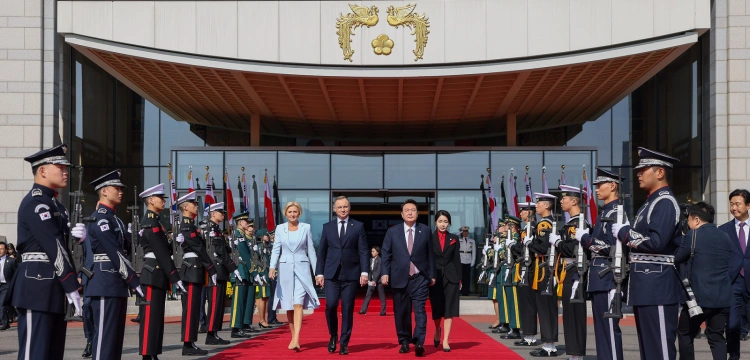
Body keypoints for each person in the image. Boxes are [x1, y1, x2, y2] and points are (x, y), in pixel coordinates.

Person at [611, 147, 683, 360]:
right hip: (647, 285)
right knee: (649, 348)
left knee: (660, 349)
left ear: (660, 172)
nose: (638, 174)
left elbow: (657, 243)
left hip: (658, 285)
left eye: (644, 169)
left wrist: (625, 233)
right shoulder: (650, 203)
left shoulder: (665, 202)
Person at [83, 169, 144, 360]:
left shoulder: (114, 218)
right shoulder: (101, 218)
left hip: (115, 282)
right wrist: (133, 279)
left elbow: (125, 248)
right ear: (103, 191)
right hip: (104, 283)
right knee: (104, 342)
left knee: (115, 341)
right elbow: (114, 251)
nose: (120, 191)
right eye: (116, 187)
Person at [574, 169, 627, 360]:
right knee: (602, 331)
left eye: (600, 185)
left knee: (609, 330)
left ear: (612, 186)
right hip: (599, 279)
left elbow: (613, 248)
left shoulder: (615, 212)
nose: (596, 189)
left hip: (607, 278)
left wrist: (586, 239)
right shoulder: (606, 210)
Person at [675, 202, 732, 360]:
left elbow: (678, 258)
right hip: (722, 297)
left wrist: (682, 236)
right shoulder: (725, 236)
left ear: (697, 220)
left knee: (685, 333)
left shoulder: (692, 236)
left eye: (689, 220)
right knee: (716, 337)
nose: (688, 223)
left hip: (698, 298)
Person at [381, 199, 435, 357]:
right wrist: (384, 273)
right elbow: (386, 253)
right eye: (407, 210)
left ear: (417, 214)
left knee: (420, 311)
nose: (410, 212)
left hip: (420, 278)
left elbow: (430, 255)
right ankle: (404, 341)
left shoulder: (425, 230)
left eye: (413, 210)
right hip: (399, 277)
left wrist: (432, 275)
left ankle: (419, 341)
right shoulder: (393, 232)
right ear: (402, 214)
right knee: (401, 312)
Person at [315, 195, 369, 355]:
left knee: (347, 308)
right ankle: (333, 335)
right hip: (332, 274)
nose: (343, 209)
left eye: (345, 206)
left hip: (351, 274)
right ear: (334, 209)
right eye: (339, 207)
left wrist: (365, 272)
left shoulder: (358, 226)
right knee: (330, 305)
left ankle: (344, 342)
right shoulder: (327, 227)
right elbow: (322, 252)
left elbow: (364, 250)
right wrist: (319, 273)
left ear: (349, 207)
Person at [137, 184, 185, 360]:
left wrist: (176, 244)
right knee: (150, 318)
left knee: (156, 318)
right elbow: (161, 253)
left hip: (157, 274)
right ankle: (147, 355)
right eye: (160, 198)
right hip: (152, 273)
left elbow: (165, 251)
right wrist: (175, 277)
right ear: (151, 200)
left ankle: (153, 353)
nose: (164, 201)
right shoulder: (150, 223)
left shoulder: (156, 222)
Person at [269, 202, 320, 351]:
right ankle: (294, 337)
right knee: (289, 307)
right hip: (285, 270)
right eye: (290, 212)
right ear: (286, 213)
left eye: (295, 212)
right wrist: (272, 267)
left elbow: (311, 251)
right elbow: (276, 249)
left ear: (299, 213)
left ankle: (296, 337)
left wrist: (317, 273)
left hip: (302, 269)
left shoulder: (306, 228)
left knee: (298, 303)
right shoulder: (280, 229)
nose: (292, 214)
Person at [176, 191, 216, 356]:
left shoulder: (191, 226)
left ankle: (190, 342)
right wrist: (211, 268)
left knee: (194, 308)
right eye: (193, 203)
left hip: (196, 269)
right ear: (185, 207)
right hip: (192, 270)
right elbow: (199, 248)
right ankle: (187, 344)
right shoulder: (186, 226)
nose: (196, 206)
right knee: (191, 308)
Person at [554, 185, 590, 360]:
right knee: (569, 314)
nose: (561, 201)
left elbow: (573, 249)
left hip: (576, 271)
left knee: (575, 314)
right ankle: (574, 353)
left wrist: (558, 243)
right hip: (567, 271)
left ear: (574, 201)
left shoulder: (579, 223)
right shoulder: (571, 223)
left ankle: (577, 354)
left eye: (564, 198)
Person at [528, 193, 560, 357]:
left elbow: (543, 248)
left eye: (539, 203)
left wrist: (529, 243)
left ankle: (549, 345)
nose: (536, 206)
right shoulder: (543, 223)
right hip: (542, 270)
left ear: (547, 206)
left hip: (545, 270)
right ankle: (548, 341)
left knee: (546, 308)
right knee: (544, 307)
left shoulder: (545, 225)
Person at [204, 202, 240, 346]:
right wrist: (232, 267)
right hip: (216, 269)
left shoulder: (217, 229)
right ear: (213, 213)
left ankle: (214, 332)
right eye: (220, 212)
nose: (223, 215)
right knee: (214, 303)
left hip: (221, 270)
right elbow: (219, 252)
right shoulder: (210, 229)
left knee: (219, 303)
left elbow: (224, 249)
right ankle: (210, 333)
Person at [720, 189, 750, 360]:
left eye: (738, 204)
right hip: (733, 283)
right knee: (731, 326)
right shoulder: (723, 230)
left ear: (748, 205)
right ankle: (734, 356)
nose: (734, 207)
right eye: (731, 204)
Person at [429, 210, 461, 352]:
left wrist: (460, 278)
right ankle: (437, 329)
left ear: (449, 223)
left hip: (451, 277)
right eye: (440, 221)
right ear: (435, 222)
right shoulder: (429, 238)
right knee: (437, 309)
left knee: (449, 309)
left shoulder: (454, 238)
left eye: (445, 222)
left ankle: (446, 340)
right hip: (435, 278)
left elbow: (456, 260)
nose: (443, 224)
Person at [513, 202, 539, 347]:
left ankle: (531, 336)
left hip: (532, 268)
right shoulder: (525, 230)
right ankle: (527, 333)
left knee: (529, 304)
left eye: (523, 211)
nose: (521, 214)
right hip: (524, 268)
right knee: (524, 303)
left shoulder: (535, 228)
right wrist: (512, 246)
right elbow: (520, 249)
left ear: (529, 213)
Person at [229, 213, 253, 339]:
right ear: (239, 223)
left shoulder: (242, 235)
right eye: (245, 221)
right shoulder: (238, 235)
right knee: (238, 302)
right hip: (240, 270)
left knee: (243, 301)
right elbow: (244, 255)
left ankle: (240, 325)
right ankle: (235, 327)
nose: (247, 223)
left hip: (244, 271)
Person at [359, 246, 386, 316]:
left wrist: (375, 280)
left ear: (377, 252)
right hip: (372, 280)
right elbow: (370, 271)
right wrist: (369, 279)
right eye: (371, 251)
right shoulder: (371, 260)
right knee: (368, 294)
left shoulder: (380, 260)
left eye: (373, 251)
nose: (372, 253)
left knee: (381, 296)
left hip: (378, 281)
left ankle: (383, 311)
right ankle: (363, 310)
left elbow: (379, 271)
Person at [252, 230, 271, 329]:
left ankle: (263, 319)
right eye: (265, 235)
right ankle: (262, 320)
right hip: (262, 273)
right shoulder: (260, 247)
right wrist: (261, 273)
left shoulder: (265, 247)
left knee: (265, 297)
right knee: (262, 298)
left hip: (266, 273)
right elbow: (258, 260)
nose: (267, 236)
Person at [267, 230, 285, 326]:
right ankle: (271, 317)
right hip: (273, 273)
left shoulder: (280, 247)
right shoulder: (269, 247)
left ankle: (273, 317)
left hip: (280, 272)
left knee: (276, 296)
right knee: (273, 296)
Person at [0, 241, 18, 330]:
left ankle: (4, 323)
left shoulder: (11, 261)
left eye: (2, 249)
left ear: (6, 250)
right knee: (6, 305)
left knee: (2, 304)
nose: (0, 250)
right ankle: (12, 315)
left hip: (6, 286)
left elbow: (16, 274)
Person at [458, 226, 475, 296]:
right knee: (461, 276)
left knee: (467, 277)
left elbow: (474, 252)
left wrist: (473, 262)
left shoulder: (472, 241)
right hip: (461, 259)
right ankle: (461, 290)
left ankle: (466, 291)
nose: (465, 233)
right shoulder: (459, 240)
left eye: (466, 231)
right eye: (464, 232)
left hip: (468, 259)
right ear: (462, 233)